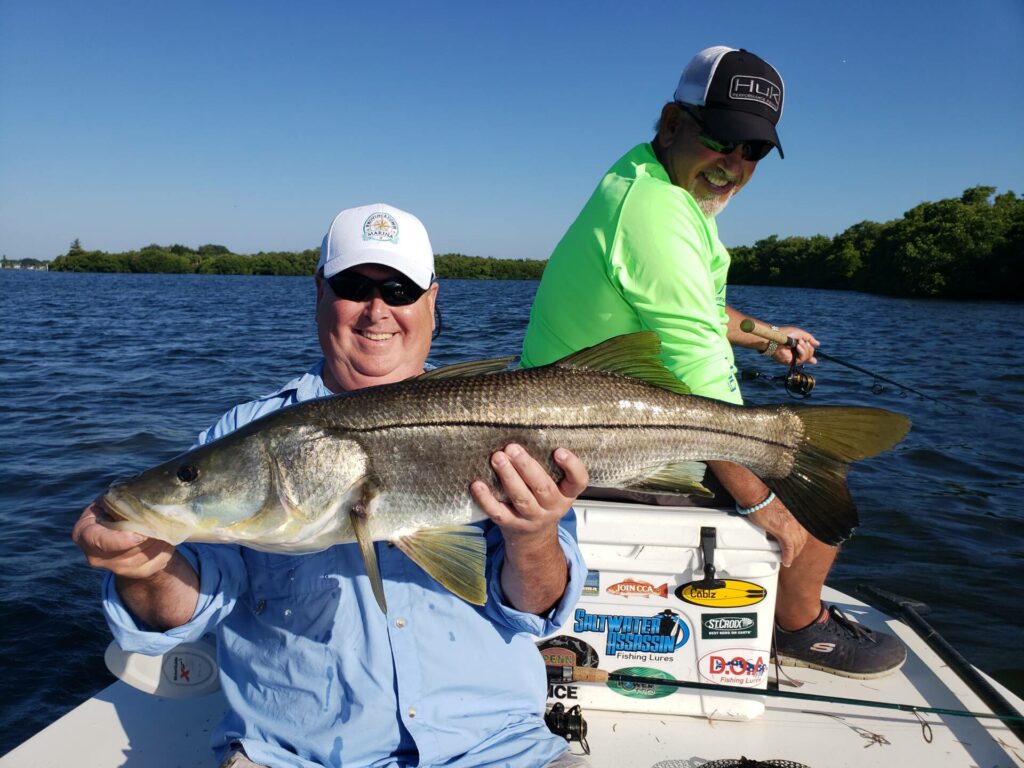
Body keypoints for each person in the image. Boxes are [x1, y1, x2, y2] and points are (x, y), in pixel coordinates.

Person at [73, 203, 592, 768]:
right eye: (353, 286)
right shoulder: (242, 433)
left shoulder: (509, 420)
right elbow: (185, 610)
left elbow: (537, 609)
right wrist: (147, 567)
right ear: (318, 291)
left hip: (498, 750)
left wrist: (533, 536)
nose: (377, 311)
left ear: (432, 303)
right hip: (298, 757)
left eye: (399, 289)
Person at [521, 46, 906, 678]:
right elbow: (705, 384)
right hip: (582, 451)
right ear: (673, 122)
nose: (733, 163)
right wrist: (766, 505)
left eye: (752, 150)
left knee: (800, 466)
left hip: (604, 416)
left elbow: (701, 311)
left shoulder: (657, 184)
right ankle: (800, 624)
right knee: (810, 485)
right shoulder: (655, 213)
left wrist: (766, 335)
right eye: (722, 138)